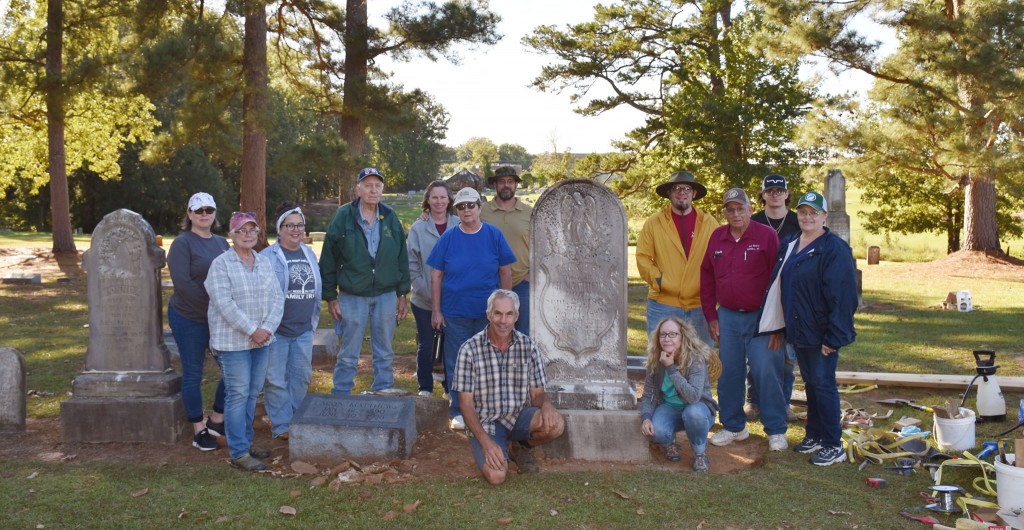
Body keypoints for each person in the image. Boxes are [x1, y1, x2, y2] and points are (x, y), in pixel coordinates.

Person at [760, 191, 857, 466]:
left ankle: (832, 443)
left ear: (824, 216)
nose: (807, 217)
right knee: (811, 385)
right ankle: (814, 434)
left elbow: (843, 296)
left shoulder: (833, 249)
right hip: (799, 330)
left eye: (814, 212)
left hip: (822, 333)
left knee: (824, 385)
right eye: (803, 212)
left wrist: (833, 337)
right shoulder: (791, 242)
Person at [700, 188, 786, 451]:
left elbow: (780, 280)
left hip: (762, 317)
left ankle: (776, 429)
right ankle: (734, 426)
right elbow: (706, 277)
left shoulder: (766, 236)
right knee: (729, 373)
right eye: (730, 209)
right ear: (724, 212)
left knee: (765, 371)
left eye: (740, 208)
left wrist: (778, 323)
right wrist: (711, 316)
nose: (735, 213)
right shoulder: (717, 237)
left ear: (750, 209)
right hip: (728, 317)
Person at [453, 289, 564, 485]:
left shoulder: (529, 347)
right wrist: (487, 443)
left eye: (509, 314)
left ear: (516, 317)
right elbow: (466, 405)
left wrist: (546, 405)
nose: (503, 320)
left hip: (519, 417)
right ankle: (498, 446)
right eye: (498, 313)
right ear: (488, 315)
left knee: (556, 424)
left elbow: (537, 394)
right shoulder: (469, 350)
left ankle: (520, 446)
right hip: (487, 423)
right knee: (497, 477)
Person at [427, 187, 515, 431]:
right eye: (461, 207)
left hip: (489, 315)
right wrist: (436, 310)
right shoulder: (449, 238)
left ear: (480, 207)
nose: (466, 210)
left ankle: (488, 410)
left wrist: (506, 308)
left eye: (471, 205)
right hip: (455, 312)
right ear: (457, 210)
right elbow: (436, 275)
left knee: (490, 362)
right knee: (457, 362)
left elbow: (505, 271)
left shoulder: (494, 235)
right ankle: (458, 411)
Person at [319, 167, 410, 395]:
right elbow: (329, 257)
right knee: (349, 350)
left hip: (386, 294)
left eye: (377, 186)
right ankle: (341, 393)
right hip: (352, 294)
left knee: (385, 350)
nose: (373, 190)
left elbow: (402, 257)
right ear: (358, 189)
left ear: (382, 190)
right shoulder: (344, 216)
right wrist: (330, 296)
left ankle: (384, 390)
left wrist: (402, 294)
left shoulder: (389, 217)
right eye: (367, 185)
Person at [206, 212, 284, 471]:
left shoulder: (263, 262)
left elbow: (277, 298)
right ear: (231, 234)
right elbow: (224, 304)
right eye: (242, 230)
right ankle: (238, 453)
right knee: (237, 395)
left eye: (253, 230)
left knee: (251, 394)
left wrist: (267, 329)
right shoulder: (221, 264)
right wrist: (252, 329)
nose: (248, 235)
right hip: (232, 344)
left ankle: (245, 442)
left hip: (262, 341)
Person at [166, 192, 229, 452]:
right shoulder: (182, 244)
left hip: (220, 318)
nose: (205, 214)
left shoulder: (223, 243)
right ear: (189, 214)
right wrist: (216, 309)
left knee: (232, 370)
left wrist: (225, 311)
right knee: (193, 374)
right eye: (199, 210)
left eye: (209, 210)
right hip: (189, 318)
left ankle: (216, 419)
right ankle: (197, 430)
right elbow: (184, 285)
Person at [260, 202, 322, 441]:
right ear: (280, 228)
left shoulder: (308, 253)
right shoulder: (267, 257)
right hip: (277, 331)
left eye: (300, 225)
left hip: (303, 329)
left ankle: (298, 419)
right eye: (290, 225)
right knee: (275, 379)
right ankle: (281, 425)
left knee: (301, 376)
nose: (296, 230)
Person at [636, 170, 719, 346]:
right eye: (676, 188)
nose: (682, 193)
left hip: (700, 305)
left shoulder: (709, 223)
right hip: (663, 304)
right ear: (669, 193)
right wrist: (660, 280)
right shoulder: (654, 222)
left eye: (687, 189)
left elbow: (720, 258)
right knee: (660, 360)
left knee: (701, 362)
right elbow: (643, 257)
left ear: (694, 193)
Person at [748, 174, 800, 422]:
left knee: (788, 356)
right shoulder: (753, 221)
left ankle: (784, 402)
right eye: (771, 190)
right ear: (763, 194)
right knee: (756, 352)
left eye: (780, 190)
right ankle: (754, 401)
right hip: (758, 294)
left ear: (788, 194)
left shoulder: (799, 222)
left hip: (789, 296)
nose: (775, 194)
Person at [639, 316, 719, 472]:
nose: (667, 339)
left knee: (693, 413)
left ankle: (699, 453)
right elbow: (648, 394)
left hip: (697, 410)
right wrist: (646, 417)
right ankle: (669, 443)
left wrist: (671, 368)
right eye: (663, 335)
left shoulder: (695, 359)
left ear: (683, 337)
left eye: (672, 334)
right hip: (670, 407)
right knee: (656, 431)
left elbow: (693, 397)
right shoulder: (656, 360)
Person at [407, 181, 459, 397]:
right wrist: (424, 288)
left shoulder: (458, 223)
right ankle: (425, 387)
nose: (439, 201)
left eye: (443, 197)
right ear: (428, 200)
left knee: (451, 345)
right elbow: (411, 263)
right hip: (424, 299)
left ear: (449, 200)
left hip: (453, 298)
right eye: (434, 197)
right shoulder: (419, 227)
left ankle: (449, 386)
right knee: (426, 345)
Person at [479, 166, 532, 335]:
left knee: (522, 333)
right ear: (494, 185)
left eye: (510, 181)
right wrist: (427, 213)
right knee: (492, 332)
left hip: (522, 282)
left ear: (516, 185)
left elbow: (543, 246)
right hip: (490, 282)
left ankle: (519, 363)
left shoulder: (530, 213)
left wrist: (532, 275)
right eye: (501, 182)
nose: (506, 185)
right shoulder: (482, 211)